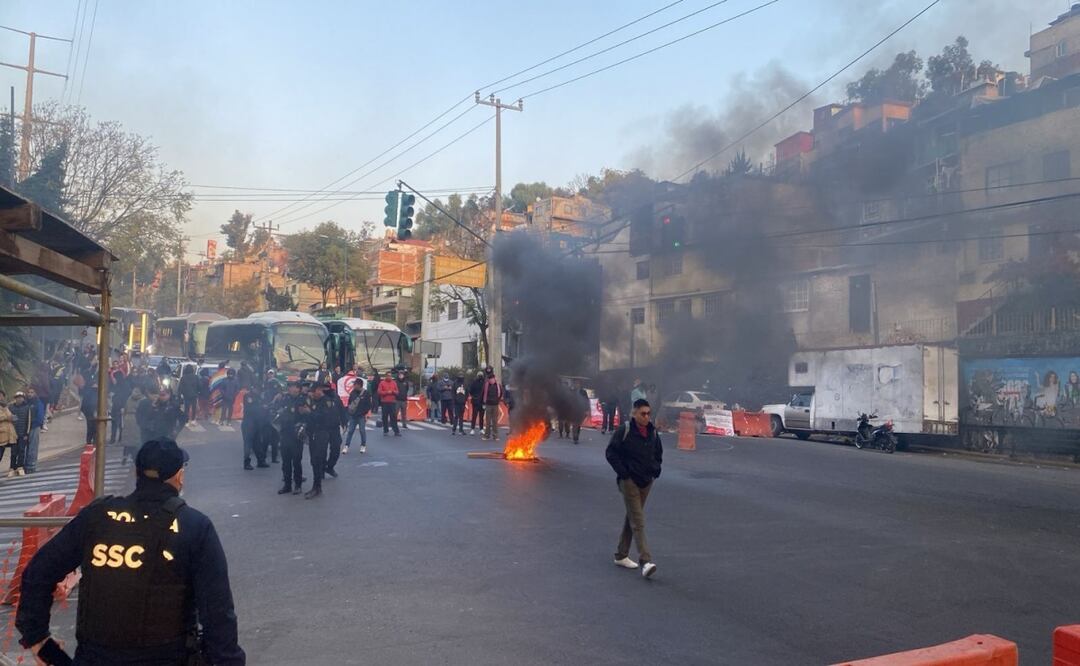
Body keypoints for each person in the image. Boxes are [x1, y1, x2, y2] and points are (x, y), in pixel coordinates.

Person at [15, 439, 246, 665]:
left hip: (95, 657)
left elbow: (39, 571)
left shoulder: (96, 517)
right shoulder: (194, 525)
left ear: (137, 473)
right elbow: (218, 612)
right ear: (179, 476)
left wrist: (38, 639)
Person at [605, 398, 663, 579]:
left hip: (646, 481)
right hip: (629, 481)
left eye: (648, 413)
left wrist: (655, 471)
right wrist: (624, 474)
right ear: (634, 413)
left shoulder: (653, 433)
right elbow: (611, 453)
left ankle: (621, 554)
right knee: (637, 520)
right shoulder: (625, 430)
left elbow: (658, 454)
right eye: (643, 414)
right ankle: (645, 561)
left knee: (632, 516)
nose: (646, 417)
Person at [305, 383, 346, 499]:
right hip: (315, 433)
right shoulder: (314, 400)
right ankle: (317, 485)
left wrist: (310, 412)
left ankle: (317, 486)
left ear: (319, 390)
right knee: (315, 460)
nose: (312, 394)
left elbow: (323, 417)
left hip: (324, 432)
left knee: (319, 458)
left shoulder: (326, 401)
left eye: (313, 392)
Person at [273, 381, 308, 495]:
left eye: (292, 387)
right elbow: (276, 410)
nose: (290, 390)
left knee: (296, 461)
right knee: (286, 461)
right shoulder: (284, 399)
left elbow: (306, 417)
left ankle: (298, 485)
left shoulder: (302, 400)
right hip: (285, 434)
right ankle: (287, 485)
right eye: (289, 388)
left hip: (296, 435)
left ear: (297, 389)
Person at [135, 387, 187, 451]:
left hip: (167, 435)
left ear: (169, 395)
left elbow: (183, 418)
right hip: (153, 435)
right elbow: (145, 417)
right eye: (160, 395)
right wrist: (152, 408)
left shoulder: (174, 405)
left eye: (163, 395)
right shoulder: (154, 404)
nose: (161, 397)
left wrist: (176, 430)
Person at [241, 387, 269, 471]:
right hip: (248, 424)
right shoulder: (248, 396)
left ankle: (260, 461)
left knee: (257, 443)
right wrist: (261, 407)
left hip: (257, 424)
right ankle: (246, 463)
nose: (259, 391)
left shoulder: (259, 397)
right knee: (248, 444)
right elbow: (250, 409)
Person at [344, 380, 372, 454]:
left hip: (361, 416)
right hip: (353, 415)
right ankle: (346, 446)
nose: (354, 386)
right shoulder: (352, 393)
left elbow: (368, 405)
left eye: (355, 384)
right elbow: (350, 403)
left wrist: (364, 413)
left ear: (359, 385)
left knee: (362, 431)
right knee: (350, 431)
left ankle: (363, 445)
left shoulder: (366, 393)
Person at [9, 391, 31, 477]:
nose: (19, 399)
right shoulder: (11, 407)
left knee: (21, 451)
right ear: (15, 398)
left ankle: (20, 467)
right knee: (13, 452)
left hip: (23, 433)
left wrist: (27, 433)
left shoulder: (27, 407)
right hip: (13, 434)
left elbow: (28, 421)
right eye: (17, 397)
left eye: (21, 397)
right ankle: (12, 468)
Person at [109, 372, 133, 446]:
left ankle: (118, 439)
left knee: (119, 424)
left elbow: (126, 396)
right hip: (115, 406)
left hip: (120, 407)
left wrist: (123, 406)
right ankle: (116, 439)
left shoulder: (124, 386)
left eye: (114, 378)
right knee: (116, 423)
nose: (114, 379)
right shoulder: (118, 385)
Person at [25, 387, 46, 474]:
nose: (30, 394)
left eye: (32, 392)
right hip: (25, 428)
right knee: (25, 447)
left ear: (35, 393)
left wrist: (35, 424)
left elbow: (40, 417)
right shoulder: (25, 403)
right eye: (28, 392)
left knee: (33, 447)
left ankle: (32, 465)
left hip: (34, 427)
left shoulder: (38, 403)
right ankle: (24, 465)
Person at [481, 367, 502, 442]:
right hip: (488, 405)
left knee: (495, 421)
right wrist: (483, 403)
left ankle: (495, 436)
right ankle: (487, 435)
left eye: (492, 378)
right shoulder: (486, 385)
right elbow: (483, 394)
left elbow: (500, 394)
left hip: (495, 405)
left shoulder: (498, 386)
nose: (491, 380)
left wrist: (497, 401)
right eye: (490, 379)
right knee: (488, 421)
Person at [377, 372, 400, 436]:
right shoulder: (382, 383)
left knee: (393, 417)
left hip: (392, 402)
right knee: (385, 417)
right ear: (386, 376)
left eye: (390, 376)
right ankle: (385, 430)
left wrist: (393, 392)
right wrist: (387, 392)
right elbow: (379, 392)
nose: (389, 377)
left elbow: (397, 392)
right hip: (384, 402)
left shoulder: (394, 383)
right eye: (388, 376)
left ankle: (396, 431)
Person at [0, 392, 16, 468]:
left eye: (2, 396)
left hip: (9, 432)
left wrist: (12, 417)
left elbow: (10, 416)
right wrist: (6, 418)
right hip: (1, 433)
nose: (1, 398)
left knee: (14, 451)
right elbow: (6, 417)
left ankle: (13, 468)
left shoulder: (6, 406)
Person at [468, 370, 485, 435]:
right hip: (477, 401)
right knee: (476, 416)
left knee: (480, 416)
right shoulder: (475, 382)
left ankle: (479, 429)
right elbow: (471, 391)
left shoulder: (480, 382)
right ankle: (475, 429)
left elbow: (470, 391)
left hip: (480, 401)